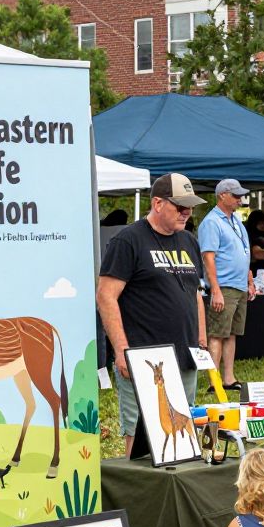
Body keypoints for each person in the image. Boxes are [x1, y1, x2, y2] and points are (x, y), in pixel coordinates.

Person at [97, 173, 208, 456]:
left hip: (184, 356)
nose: (187, 213)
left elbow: (195, 293)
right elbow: (106, 296)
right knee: (140, 433)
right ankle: (140, 494)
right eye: (180, 207)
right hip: (144, 358)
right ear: (158, 203)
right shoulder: (128, 241)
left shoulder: (189, 242)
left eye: (190, 207)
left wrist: (202, 341)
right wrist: (121, 350)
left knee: (183, 429)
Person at [199, 178, 256, 391]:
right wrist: (215, 290)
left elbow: (243, 252)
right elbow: (208, 257)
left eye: (241, 195)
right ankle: (214, 382)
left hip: (239, 285)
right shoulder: (212, 222)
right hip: (223, 286)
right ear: (222, 195)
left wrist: (249, 279)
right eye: (236, 195)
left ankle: (228, 379)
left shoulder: (235, 220)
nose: (240, 199)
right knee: (217, 334)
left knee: (232, 333)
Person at [245, 210, 264, 278]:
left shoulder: (248, 234)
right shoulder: (256, 237)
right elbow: (257, 253)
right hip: (258, 272)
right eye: (261, 222)